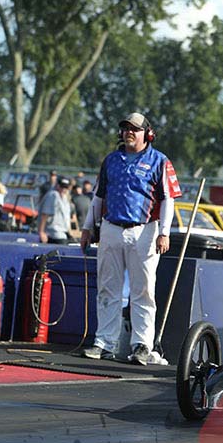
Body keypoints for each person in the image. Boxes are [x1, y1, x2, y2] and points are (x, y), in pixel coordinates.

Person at [80, 112, 182, 365]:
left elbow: (168, 199)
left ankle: (142, 345)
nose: (129, 133)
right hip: (111, 227)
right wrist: (87, 227)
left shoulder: (160, 161)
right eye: (126, 128)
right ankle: (104, 342)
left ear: (147, 134)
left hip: (144, 230)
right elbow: (98, 196)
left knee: (143, 290)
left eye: (134, 129)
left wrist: (164, 232)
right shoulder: (111, 160)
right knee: (107, 287)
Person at [38, 176, 73, 244]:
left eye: (66, 187)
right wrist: (41, 232)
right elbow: (45, 214)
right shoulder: (52, 195)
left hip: (62, 231)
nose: (63, 189)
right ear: (57, 185)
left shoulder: (64, 197)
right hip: (53, 233)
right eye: (62, 187)